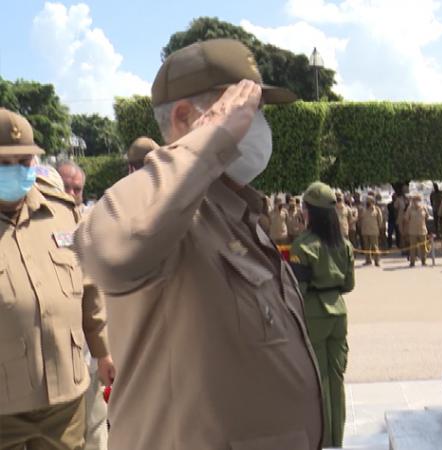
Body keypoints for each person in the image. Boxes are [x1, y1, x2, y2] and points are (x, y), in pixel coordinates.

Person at [74, 39, 323, 450]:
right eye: (245, 110)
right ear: (187, 117)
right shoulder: (161, 212)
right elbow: (111, 253)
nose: (257, 126)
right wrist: (209, 142)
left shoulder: (234, 211)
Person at [0, 108, 113, 450]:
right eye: (5, 163)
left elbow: (89, 287)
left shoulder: (62, 213)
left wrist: (104, 351)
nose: (16, 171)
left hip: (65, 394)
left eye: (24, 161)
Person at [290, 181, 355, 448]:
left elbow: (297, 291)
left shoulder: (303, 246)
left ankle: (323, 440)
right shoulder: (344, 245)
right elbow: (349, 285)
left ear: (310, 212)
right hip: (339, 313)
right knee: (336, 379)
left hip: (314, 314)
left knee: (319, 381)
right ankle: (336, 440)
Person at [56, 159, 109, 450]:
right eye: (65, 186)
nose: (71, 194)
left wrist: (104, 352)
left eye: (77, 189)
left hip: (89, 350)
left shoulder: (90, 226)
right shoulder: (38, 227)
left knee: (95, 423)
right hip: (54, 357)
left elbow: (97, 292)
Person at [404, 193, 429, 267]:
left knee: (423, 247)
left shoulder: (424, 207)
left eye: (418, 200)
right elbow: (406, 219)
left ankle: (424, 261)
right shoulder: (409, 208)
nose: (416, 201)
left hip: (422, 230)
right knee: (413, 248)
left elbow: (427, 217)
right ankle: (412, 262)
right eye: (414, 200)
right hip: (413, 231)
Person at [359, 195, 383, 266]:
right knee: (366, 247)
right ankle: (368, 260)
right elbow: (360, 219)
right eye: (367, 201)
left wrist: (378, 228)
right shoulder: (363, 209)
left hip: (373, 231)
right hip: (365, 231)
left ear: (373, 202)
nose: (367, 202)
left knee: (375, 247)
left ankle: (377, 261)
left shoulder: (377, 209)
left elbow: (380, 220)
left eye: (369, 201)